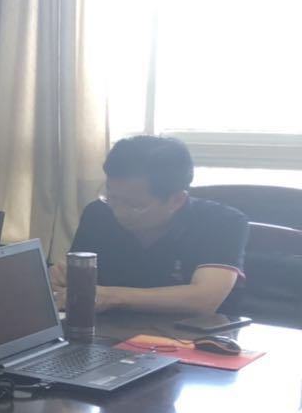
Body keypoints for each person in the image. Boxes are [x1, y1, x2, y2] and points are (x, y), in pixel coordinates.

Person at [59, 135, 248, 316]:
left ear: (176, 200)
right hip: (109, 332)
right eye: (112, 197)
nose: (119, 212)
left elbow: (204, 300)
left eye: (135, 205)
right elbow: (76, 283)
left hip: (191, 335)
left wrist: (113, 296)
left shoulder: (221, 222)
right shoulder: (98, 213)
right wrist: (59, 280)